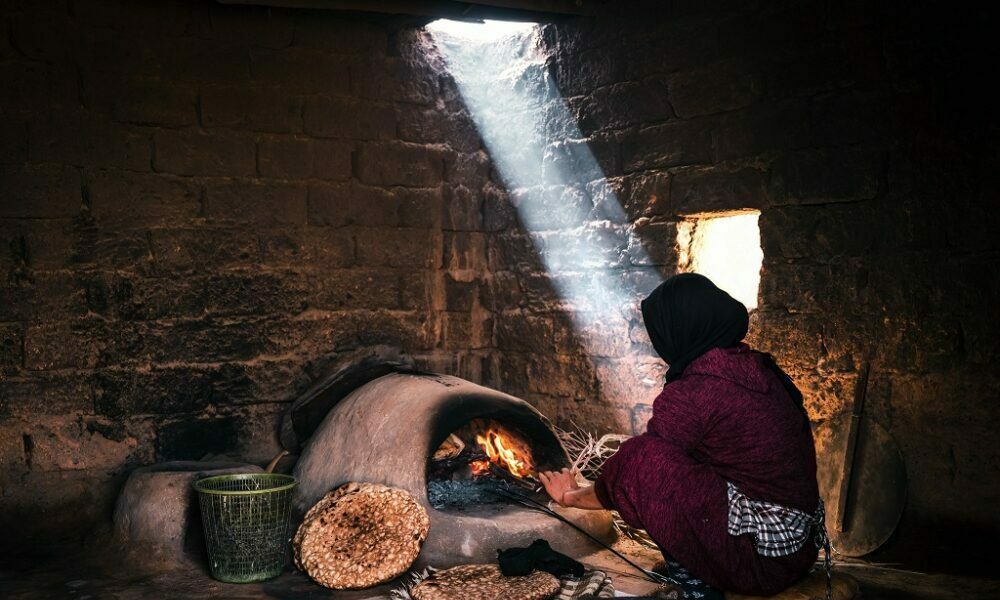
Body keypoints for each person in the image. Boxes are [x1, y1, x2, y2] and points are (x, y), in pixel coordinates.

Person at [539, 273, 826, 596]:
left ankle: (696, 586)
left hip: (762, 561)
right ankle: (701, 564)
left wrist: (571, 496)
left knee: (643, 462)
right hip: (797, 548)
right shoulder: (753, 366)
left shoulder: (700, 388)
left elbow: (635, 472)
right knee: (667, 463)